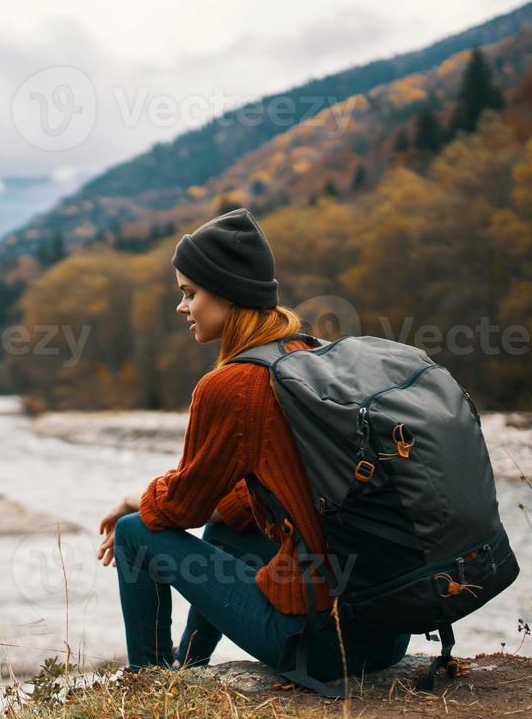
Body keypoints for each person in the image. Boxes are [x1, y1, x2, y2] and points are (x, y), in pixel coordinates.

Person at [96, 207, 410, 682]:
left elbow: (180, 508)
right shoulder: (306, 358)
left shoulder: (232, 386)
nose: (182, 307)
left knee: (135, 533)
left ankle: (150, 682)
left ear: (226, 293)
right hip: (386, 632)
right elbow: (267, 491)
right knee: (229, 527)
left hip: (323, 646)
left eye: (189, 293)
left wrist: (129, 501)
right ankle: (188, 665)